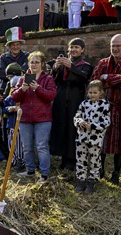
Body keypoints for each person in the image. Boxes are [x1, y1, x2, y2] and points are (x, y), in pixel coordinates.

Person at [91, 33, 121, 185]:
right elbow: (94, 81)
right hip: (103, 106)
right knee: (101, 138)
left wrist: (106, 78)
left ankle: (116, 173)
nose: (115, 48)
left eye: (118, 46)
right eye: (113, 46)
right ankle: (100, 169)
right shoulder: (103, 62)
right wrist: (108, 79)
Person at [11, 51, 57, 183]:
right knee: (27, 146)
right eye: (32, 62)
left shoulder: (48, 79)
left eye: (37, 62)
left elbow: (51, 96)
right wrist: (22, 89)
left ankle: (44, 174)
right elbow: (14, 96)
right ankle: (30, 170)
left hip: (43, 119)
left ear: (42, 64)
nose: (34, 64)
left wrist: (38, 88)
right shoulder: (23, 78)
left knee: (42, 146)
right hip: (25, 118)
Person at [49, 38, 93, 172]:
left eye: (77, 47)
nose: (73, 50)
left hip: (76, 100)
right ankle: (63, 157)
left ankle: (72, 160)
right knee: (61, 127)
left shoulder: (86, 65)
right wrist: (55, 69)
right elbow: (53, 81)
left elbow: (83, 78)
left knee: (73, 130)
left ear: (82, 50)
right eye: (71, 47)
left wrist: (71, 67)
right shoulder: (61, 64)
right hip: (61, 99)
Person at [73, 80, 111, 194]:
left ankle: (92, 181)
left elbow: (107, 121)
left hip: (96, 138)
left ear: (101, 92)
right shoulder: (84, 104)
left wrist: (93, 126)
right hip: (82, 137)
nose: (92, 95)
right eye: (90, 92)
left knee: (94, 161)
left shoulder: (104, 104)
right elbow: (76, 116)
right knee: (81, 159)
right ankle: (81, 180)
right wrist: (80, 122)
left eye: (95, 92)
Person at [0, 27, 29, 95]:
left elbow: (27, 71)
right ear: (9, 46)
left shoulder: (26, 56)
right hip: (5, 90)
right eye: (13, 45)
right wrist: (18, 74)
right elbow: (1, 73)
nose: (15, 47)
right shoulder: (3, 58)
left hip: (22, 89)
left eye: (17, 44)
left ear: (21, 45)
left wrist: (10, 74)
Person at [1, 76, 25, 171]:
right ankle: (13, 160)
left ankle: (20, 160)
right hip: (11, 124)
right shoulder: (9, 98)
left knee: (19, 144)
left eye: (16, 86)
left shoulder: (24, 97)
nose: (14, 88)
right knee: (11, 143)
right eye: (13, 87)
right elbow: (3, 109)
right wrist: (9, 109)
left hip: (21, 125)